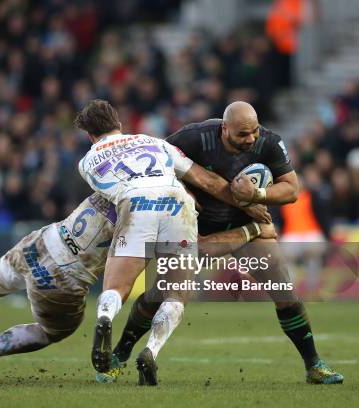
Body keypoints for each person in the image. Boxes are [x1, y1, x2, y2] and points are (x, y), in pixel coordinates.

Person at [0, 192, 277, 382]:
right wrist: (251, 228)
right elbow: (198, 249)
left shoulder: (114, 181)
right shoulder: (160, 209)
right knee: (52, 331)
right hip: (63, 278)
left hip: (39, 243)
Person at [104, 101, 343, 385]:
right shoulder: (194, 137)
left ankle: (313, 365)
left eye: (253, 132)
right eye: (243, 134)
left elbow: (292, 189)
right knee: (161, 295)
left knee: (283, 291)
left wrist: (258, 194)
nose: (251, 139)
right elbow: (156, 168)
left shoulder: (268, 143)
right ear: (224, 128)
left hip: (245, 229)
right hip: (193, 230)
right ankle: (120, 353)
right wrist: (182, 193)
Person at [74, 99, 270, 385]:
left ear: (90, 135)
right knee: (176, 294)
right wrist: (248, 206)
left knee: (117, 288)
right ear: (119, 124)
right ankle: (151, 350)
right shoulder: (152, 141)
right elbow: (206, 180)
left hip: (135, 202)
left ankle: (105, 317)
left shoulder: (87, 162)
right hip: (177, 201)